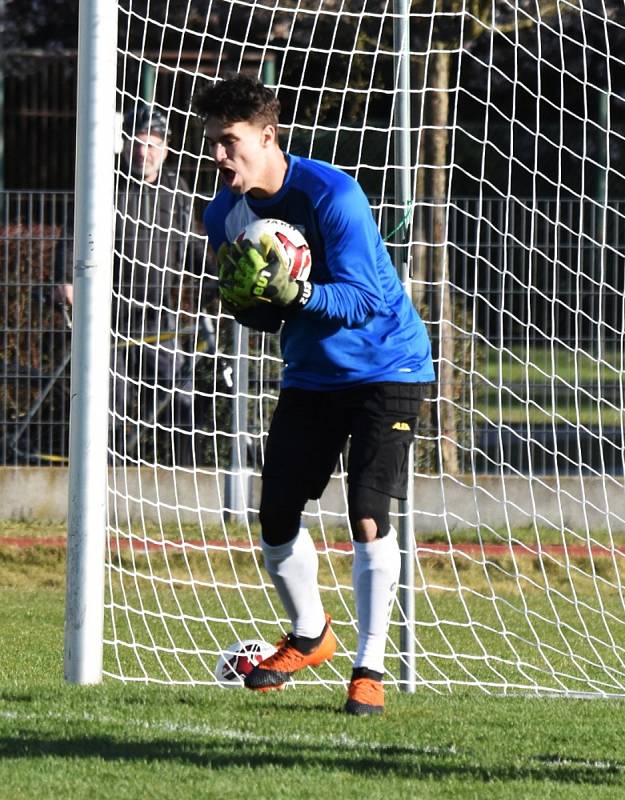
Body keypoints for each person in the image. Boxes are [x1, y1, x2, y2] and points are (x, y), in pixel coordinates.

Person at [194, 75, 435, 715]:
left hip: (389, 367)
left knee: (367, 511)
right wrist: (247, 301)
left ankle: (370, 668)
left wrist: (295, 294)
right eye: (211, 143)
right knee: (274, 515)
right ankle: (310, 635)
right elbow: (263, 316)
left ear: (267, 136)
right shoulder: (225, 213)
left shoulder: (333, 194)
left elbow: (364, 301)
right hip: (311, 375)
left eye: (229, 143)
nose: (218, 158)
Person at [57, 102, 216, 464]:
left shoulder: (177, 188)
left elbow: (188, 243)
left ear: (166, 148)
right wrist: (65, 279)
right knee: (108, 401)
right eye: (137, 142)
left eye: (153, 143)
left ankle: (181, 473)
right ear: (125, 145)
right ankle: (105, 473)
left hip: (160, 318)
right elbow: (73, 235)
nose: (145, 151)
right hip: (110, 318)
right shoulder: (105, 184)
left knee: (179, 397)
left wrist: (215, 274)